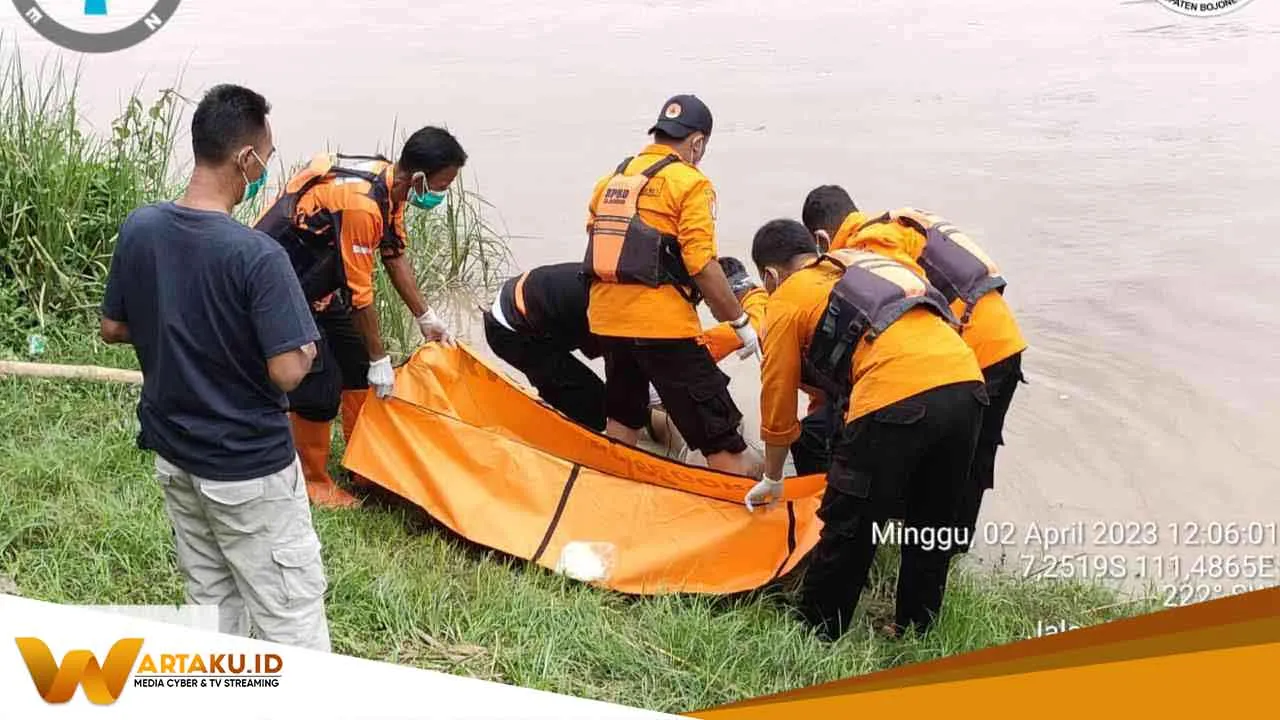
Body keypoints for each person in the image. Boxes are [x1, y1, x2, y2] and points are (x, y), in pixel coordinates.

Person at [100, 84, 331, 651]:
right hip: (247, 466)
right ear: (246, 159)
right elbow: (286, 372)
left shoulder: (142, 227)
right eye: (268, 158)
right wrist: (303, 351)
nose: (266, 170)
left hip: (176, 456)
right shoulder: (256, 255)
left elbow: (114, 328)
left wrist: (180, 330)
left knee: (211, 602)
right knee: (291, 618)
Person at [744, 218, 988, 641]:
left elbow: (778, 394)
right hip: (967, 384)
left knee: (849, 520)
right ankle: (915, 626)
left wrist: (772, 476)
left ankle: (817, 633)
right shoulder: (868, 261)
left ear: (769, 276)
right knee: (932, 517)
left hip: (895, 392)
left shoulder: (786, 297)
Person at [801, 185, 1027, 551]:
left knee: (926, 457)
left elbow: (895, 310)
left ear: (822, 239)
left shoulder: (868, 245)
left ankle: (907, 540)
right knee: (970, 459)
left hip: (962, 355)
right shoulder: (902, 221)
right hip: (1005, 343)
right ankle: (950, 551)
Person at [255, 127, 467, 508]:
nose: (443, 192)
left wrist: (425, 316)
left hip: (316, 282)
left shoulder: (390, 187)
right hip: (279, 285)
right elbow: (359, 292)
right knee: (320, 382)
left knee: (354, 364)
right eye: (443, 183)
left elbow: (394, 253)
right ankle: (311, 481)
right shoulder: (361, 203)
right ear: (419, 178)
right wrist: (381, 358)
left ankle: (362, 460)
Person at [582, 94, 762, 477]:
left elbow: (598, 245)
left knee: (623, 417)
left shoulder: (609, 182)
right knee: (722, 438)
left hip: (607, 321)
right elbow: (701, 264)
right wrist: (741, 323)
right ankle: (743, 513)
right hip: (662, 327)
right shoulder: (691, 184)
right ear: (697, 143)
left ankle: (612, 493)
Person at [646, 256, 770, 457]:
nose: (710, 310)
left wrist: (679, 353)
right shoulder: (759, 300)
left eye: (706, 300)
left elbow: (745, 329)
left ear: (720, 294)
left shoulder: (757, 311)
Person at [483, 261, 607, 431]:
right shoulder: (615, 315)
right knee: (593, 410)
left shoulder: (627, 289)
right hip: (511, 329)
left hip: (535, 310)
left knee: (612, 399)